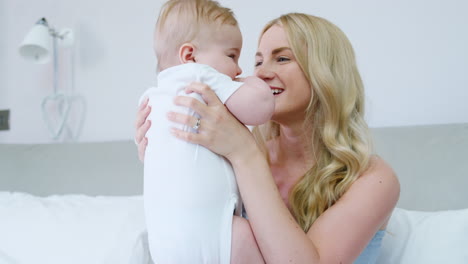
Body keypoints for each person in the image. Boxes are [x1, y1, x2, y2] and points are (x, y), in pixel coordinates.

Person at [135, 12, 400, 264]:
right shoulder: (239, 152)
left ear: (325, 73)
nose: (260, 73)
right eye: (258, 61)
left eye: (282, 59)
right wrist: (166, 150)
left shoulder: (373, 179)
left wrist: (245, 154)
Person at [138, 0, 274, 263]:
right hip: (215, 233)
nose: (238, 68)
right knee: (245, 234)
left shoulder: (151, 97)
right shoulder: (200, 77)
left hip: (165, 244)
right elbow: (261, 108)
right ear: (190, 56)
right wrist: (252, 83)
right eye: (231, 56)